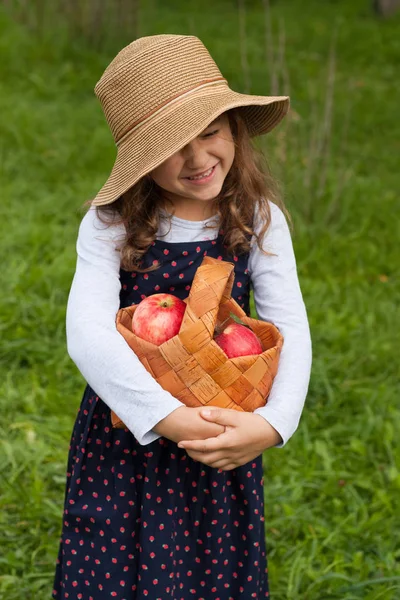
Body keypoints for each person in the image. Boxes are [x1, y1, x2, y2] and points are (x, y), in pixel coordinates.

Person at [52, 34, 312, 600]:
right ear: (141, 159)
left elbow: (289, 325)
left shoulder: (259, 219)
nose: (198, 159)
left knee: (211, 570)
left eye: (211, 132)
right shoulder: (110, 223)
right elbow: (87, 333)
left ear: (235, 129)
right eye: (173, 145)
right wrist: (164, 417)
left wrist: (272, 424)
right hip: (130, 438)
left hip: (222, 437)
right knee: (115, 567)